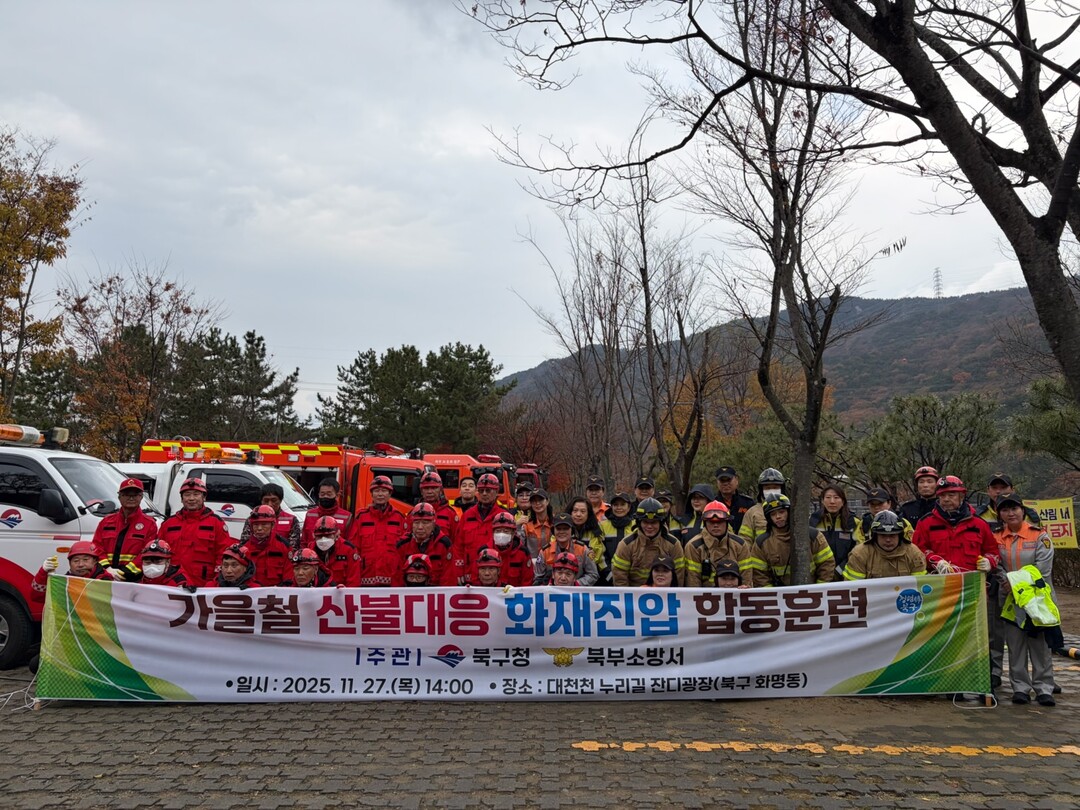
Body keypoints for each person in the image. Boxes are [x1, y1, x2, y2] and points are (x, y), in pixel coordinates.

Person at [993, 492, 1056, 705]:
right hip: (1010, 599)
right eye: (1005, 509)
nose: (1011, 513)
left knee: (1040, 645)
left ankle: (1044, 688)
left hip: (1037, 600)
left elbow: (1043, 568)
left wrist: (1014, 582)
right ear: (999, 513)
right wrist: (1005, 580)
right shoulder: (996, 537)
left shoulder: (1039, 535)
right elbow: (996, 565)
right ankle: (1020, 688)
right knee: (1015, 644)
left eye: (1014, 508)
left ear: (1022, 510)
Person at [912, 476, 1000, 575]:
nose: (946, 499)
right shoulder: (925, 523)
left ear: (962, 496)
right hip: (938, 583)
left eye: (951, 495)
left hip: (972, 584)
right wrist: (934, 560)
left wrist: (989, 561)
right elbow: (917, 551)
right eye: (942, 495)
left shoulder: (979, 524)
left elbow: (992, 551)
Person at [746, 496, 836, 587]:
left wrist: (819, 589)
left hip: (812, 592)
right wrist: (773, 596)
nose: (778, 517)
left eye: (782, 512)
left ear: (789, 512)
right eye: (773, 514)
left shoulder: (813, 535)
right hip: (780, 595)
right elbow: (759, 575)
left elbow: (827, 565)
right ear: (768, 518)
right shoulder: (762, 543)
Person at [159, 478, 232, 587]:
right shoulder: (169, 524)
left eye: (196, 494)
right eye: (187, 495)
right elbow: (158, 552)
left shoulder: (216, 523)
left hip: (203, 585)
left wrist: (217, 581)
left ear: (204, 497)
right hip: (173, 584)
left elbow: (223, 554)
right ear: (181, 499)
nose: (191, 498)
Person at [91, 477, 158, 582]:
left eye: (135, 495)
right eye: (126, 494)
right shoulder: (106, 522)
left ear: (141, 497)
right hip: (105, 576)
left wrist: (127, 571)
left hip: (133, 578)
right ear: (119, 497)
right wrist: (107, 568)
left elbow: (147, 553)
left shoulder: (150, 524)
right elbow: (96, 547)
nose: (131, 498)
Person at [611, 498, 684, 587]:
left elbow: (679, 576)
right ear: (639, 522)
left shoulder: (673, 544)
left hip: (665, 596)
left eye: (654, 522)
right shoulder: (626, 545)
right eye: (645, 522)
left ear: (661, 523)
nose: (649, 526)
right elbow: (620, 578)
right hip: (634, 596)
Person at [348, 475, 406, 587]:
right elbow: (353, 548)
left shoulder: (399, 518)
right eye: (377, 491)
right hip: (366, 577)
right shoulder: (361, 517)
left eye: (384, 491)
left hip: (393, 578)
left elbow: (405, 549)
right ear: (372, 494)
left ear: (390, 494)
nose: (380, 494)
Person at [456, 473, 512, 585]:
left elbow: (509, 549)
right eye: (481, 491)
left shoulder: (504, 516)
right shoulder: (468, 515)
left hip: (496, 577)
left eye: (488, 490)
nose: (484, 494)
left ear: (496, 492)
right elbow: (458, 546)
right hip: (470, 577)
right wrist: (458, 571)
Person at [683, 501, 752, 587]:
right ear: (705, 523)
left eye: (720, 522)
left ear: (727, 523)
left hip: (735, 596)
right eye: (711, 522)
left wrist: (745, 590)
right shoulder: (694, 546)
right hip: (705, 597)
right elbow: (693, 581)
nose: (715, 525)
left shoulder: (740, 545)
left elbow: (746, 578)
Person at [842, 511, 927, 581]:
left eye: (892, 535)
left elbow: (921, 585)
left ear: (900, 536)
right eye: (883, 535)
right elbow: (852, 588)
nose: (888, 540)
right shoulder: (860, 554)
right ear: (875, 536)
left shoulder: (914, 553)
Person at [31, 541, 115, 603]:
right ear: (70, 564)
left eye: (85, 560)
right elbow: (38, 597)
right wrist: (43, 573)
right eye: (76, 561)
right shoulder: (65, 583)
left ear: (95, 561)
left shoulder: (107, 581)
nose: (81, 564)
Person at [395, 502, 456, 586]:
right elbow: (397, 577)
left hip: (436, 593)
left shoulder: (444, 544)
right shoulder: (402, 545)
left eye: (425, 522)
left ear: (433, 524)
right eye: (416, 522)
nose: (420, 527)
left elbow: (448, 578)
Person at [533, 513, 599, 586]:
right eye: (558, 529)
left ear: (572, 531)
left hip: (576, 592)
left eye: (565, 528)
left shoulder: (582, 549)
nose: (562, 532)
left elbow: (593, 574)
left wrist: (576, 584)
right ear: (553, 531)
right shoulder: (545, 551)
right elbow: (538, 578)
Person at [474, 511, 534, 587]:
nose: (501, 534)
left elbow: (527, 582)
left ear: (513, 533)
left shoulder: (523, 553)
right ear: (493, 533)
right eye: (498, 531)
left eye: (506, 531)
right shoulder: (483, 551)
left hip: (514, 596)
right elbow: (475, 578)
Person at [810, 484, 858, 577]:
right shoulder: (813, 521)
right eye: (828, 497)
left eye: (836, 497)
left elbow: (857, 552)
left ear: (843, 501)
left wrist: (839, 571)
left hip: (845, 574)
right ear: (823, 501)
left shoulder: (853, 522)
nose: (832, 501)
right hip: (820, 575)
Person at [244, 504, 292, 586]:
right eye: (256, 525)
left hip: (277, 594)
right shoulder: (245, 549)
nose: (259, 528)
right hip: (252, 594)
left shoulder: (284, 547)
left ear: (272, 525)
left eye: (264, 524)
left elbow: (289, 577)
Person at [241, 484, 301, 549]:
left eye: (274, 500)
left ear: (280, 501)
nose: (270, 504)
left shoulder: (292, 520)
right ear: (261, 501)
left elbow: (293, 547)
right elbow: (244, 544)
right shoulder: (252, 519)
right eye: (266, 501)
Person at [975, 473, 1041, 532]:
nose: (998, 491)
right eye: (994, 488)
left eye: (1003, 487)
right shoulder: (978, 515)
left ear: (1013, 490)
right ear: (988, 491)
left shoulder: (1030, 516)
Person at [308, 515, 361, 587]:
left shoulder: (348, 550)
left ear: (337, 535)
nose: (323, 539)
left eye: (328, 536)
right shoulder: (310, 550)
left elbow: (354, 580)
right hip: (317, 594)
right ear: (314, 536)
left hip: (341, 593)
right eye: (319, 536)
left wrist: (347, 593)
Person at [300, 477, 352, 547]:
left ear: (336, 495)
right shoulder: (310, 514)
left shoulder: (347, 517)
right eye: (322, 494)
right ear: (318, 494)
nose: (325, 496)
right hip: (312, 556)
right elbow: (304, 541)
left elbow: (350, 544)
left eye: (329, 494)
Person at [738, 468, 787, 542]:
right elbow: (745, 540)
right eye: (768, 488)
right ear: (761, 490)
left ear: (782, 489)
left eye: (775, 487)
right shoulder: (752, 513)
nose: (771, 491)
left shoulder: (790, 510)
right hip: (760, 553)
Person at [567, 496, 608, 581]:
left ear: (588, 514)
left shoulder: (596, 529)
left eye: (583, 511)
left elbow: (595, 556)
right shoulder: (561, 528)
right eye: (575, 511)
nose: (578, 514)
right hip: (565, 572)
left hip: (590, 574)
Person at [597, 492, 635, 583]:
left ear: (629, 507)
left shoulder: (636, 525)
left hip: (633, 578)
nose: (619, 508)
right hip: (607, 578)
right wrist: (609, 574)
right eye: (615, 505)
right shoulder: (602, 525)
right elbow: (600, 553)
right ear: (611, 507)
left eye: (622, 504)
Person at [415, 471, 459, 545]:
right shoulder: (413, 513)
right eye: (426, 488)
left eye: (433, 488)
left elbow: (456, 542)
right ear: (421, 491)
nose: (430, 492)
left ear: (440, 490)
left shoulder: (450, 514)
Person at [714, 466, 756, 536]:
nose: (725, 483)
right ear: (717, 483)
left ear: (736, 481)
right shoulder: (711, 504)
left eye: (729, 480)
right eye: (722, 480)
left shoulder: (748, 503)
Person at [523, 489, 554, 558]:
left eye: (540, 500)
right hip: (532, 564)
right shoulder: (527, 526)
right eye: (534, 501)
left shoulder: (555, 524)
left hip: (552, 564)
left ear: (547, 501)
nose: (537, 503)